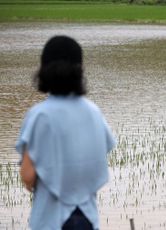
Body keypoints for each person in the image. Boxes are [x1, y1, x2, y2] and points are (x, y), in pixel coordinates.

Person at [16, 36, 116, 230]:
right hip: (88, 218)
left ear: (44, 71)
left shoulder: (40, 115)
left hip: (52, 219)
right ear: (79, 71)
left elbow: (28, 175)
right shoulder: (93, 111)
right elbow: (99, 157)